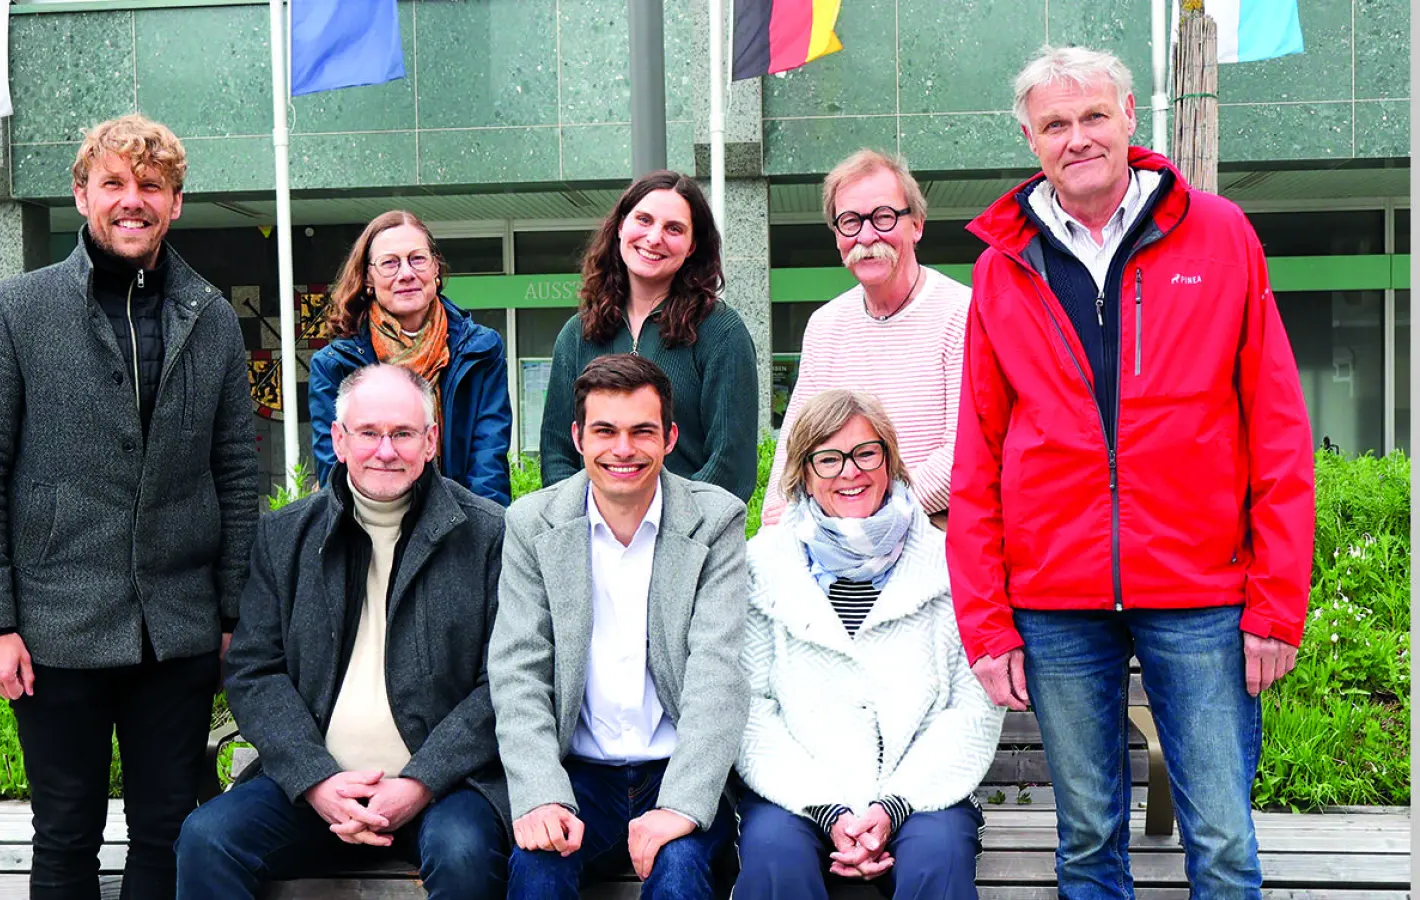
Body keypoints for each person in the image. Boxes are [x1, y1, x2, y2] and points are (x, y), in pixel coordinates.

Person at [950, 46, 1315, 896]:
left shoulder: (1220, 234)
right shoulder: (1003, 265)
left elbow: (1278, 428)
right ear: (1029, 139)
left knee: (1222, 839)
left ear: (1128, 118)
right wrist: (989, 621)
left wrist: (1275, 603)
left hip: (1200, 589)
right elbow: (979, 454)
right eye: (1054, 125)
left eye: (1092, 117)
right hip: (1056, 595)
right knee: (1085, 842)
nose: (1077, 138)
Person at [0, 114, 259, 899]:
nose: (133, 201)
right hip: (53, 632)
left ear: (175, 203)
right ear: (82, 194)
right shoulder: (13, 312)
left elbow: (235, 470)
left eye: (151, 186)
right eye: (113, 183)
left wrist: (230, 615)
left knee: (169, 834)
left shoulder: (211, 318)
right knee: (66, 837)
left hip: (177, 632)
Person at [176, 365, 509, 899]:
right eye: (369, 433)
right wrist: (317, 781)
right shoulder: (284, 538)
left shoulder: (489, 536)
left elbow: (505, 682)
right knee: (208, 838)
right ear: (338, 440)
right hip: (316, 789)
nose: (385, 450)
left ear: (430, 441)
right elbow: (255, 669)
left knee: (464, 853)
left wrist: (419, 783)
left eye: (402, 434)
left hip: (446, 788)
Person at [490, 354, 749, 899]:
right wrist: (541, 793)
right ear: (578, 436)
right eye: (605, 431)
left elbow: (717, 677)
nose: (623, 449)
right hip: (579, 774)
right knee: (537, 869)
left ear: (671, 437)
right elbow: (519, 672)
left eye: (642, 431)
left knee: (678, 870)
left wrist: (679, 804)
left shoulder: (715, 521)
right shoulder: (533, 524)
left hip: (676, 770)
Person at [735, 389, 1001, 900]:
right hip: (796, 794)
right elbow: (752, 712)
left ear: (891, 461)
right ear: (804, 474)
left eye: (865, 453)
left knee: (938, 862)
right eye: (828, 458)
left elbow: (971, 710)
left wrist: (891, 807)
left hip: (922, 793)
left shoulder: (950, 562)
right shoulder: (761, 566)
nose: (849, 472)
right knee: (775, 860)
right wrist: (830, 810)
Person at [761, 150, 968, 529]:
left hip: (931, 532)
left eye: (884, 217)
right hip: (837, 536)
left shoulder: (962, 314)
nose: (867, 235)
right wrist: (777, 513)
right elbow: (795, 439)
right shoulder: (825, 325)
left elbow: (965, 451)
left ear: (917, 224)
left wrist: (872, 514)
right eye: (850, 222)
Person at [537, 172, 759, 502]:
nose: (654, 238)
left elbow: (730, 464)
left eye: (674, 228)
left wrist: (664, 526)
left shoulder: (721, 332)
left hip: (692, 539)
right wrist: (594, 524)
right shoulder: (576, 335)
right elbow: (557, 455)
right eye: (644, 220)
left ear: (692, 245)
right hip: (593, 538)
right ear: (621, 227)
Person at [309, 210, 512, 505]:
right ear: (368, 278)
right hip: (371, 528)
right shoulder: (334, 366)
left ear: (436, 269)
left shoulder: (481, 350)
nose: (406, 274)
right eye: (390, 263)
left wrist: (482, 538)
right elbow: (336, 471)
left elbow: (488, 461)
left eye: (417, 259)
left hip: (462, 523)